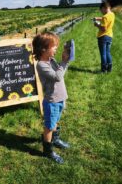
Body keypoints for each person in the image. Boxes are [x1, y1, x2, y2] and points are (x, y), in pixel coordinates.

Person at [32, 32, 70, 164]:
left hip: (59, 98)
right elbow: (57, 76)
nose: (56, 49)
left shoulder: (50, 60)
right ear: (44, 49)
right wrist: (64, 62)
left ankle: (55, 139)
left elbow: (60, 72)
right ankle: (47, 151)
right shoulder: (41, 65)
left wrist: (66, 59)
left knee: (56, 121)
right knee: (49, 126)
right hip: (52, 101)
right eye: (54, 46)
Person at [93, 1, 115, 73]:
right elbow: (104, 18)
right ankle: (109, 68)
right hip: (110, 36)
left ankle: (103, 70)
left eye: (101, 10)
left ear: (104, 8)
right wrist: (97, 18)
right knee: (108, 52)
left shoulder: (105, 17)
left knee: (103, 54)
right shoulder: (112, 14)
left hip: (103, 37)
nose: (101, 12)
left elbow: (103, 29)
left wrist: (97, 25)